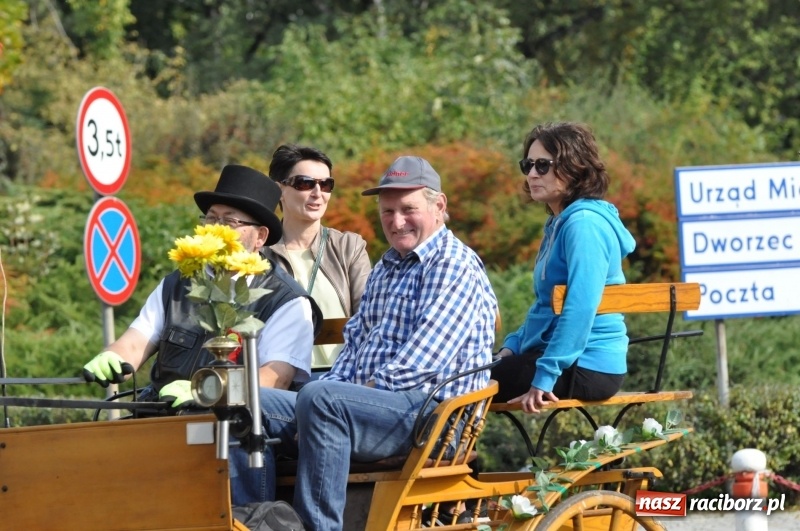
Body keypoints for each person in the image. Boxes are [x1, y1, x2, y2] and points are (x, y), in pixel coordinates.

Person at [234, 155, 499, 530]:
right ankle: (253, 521)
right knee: (243, 402)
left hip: (432, 419)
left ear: (439, 206)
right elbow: (354, 351)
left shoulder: (454, 265)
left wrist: (336, 396)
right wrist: (331, 394)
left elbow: (419, 365)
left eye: (409, 209)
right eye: (388, 211)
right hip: (374, 410)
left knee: (321, 398)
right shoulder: (389, 265)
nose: (396, 221)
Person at [81, 164, 323, 404]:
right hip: (159, 415)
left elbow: (273, 379)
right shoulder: (177, 284)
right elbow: (134, 345)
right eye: (211, 218)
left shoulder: (287, 301)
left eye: (229, 222)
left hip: (236, 428)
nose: (216, 230)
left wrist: (207, 391)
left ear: (260, 236)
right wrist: (111, 357)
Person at [491, 122, 636, 414]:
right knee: (465, 373)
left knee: (462, 384)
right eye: (528, 164)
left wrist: (544, 378)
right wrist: (512, 348)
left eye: (543, 165)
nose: (532, 173)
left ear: (575, 167)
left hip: (588, 365)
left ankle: (450, 460)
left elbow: (580, 308)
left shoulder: (584, 226)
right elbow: (545, 308)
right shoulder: (559, 224)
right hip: (562, 359)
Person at [263, 144, 371, 369]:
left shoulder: (348, 247)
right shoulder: (260, 254)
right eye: (305, 183)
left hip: (340, 379)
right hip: (278, 382)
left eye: (326, 184)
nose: (318, 193)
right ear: (279, 190)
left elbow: (370, 316)